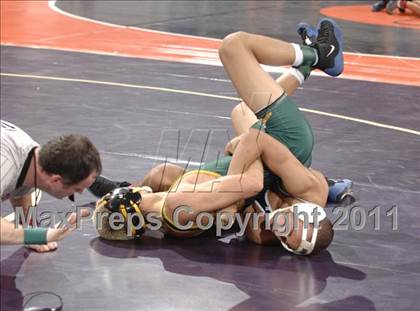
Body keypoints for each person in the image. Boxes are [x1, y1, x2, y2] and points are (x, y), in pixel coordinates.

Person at [93, 18, 345, 255]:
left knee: (242, 111)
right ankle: (321, 53)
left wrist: (235, 192)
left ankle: (303, 67)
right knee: (234, 46)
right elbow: (255, 153)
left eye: (285, 238)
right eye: (290, 229)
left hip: (265, 162)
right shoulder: (306, 192)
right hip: (288, 142)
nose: (281, 230)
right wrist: (235, 184)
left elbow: (245, 199)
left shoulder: (260, 230)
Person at [1, 120, 102, 252]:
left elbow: (23, 183)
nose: (80, 193)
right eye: (77, 189)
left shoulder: (33, 157)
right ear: (56, 180)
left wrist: (31, 233)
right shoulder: (5, 163)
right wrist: (42, 235)